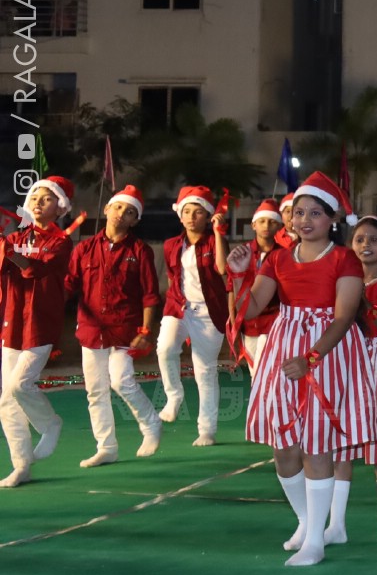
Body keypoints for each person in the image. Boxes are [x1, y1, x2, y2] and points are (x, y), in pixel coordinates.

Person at [239, 173, 370, 567]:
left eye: (315, 212)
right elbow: (249, 310)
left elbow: (345, 317)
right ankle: (305, 521)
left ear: (332, 219)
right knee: (284, 448)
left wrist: (311, 359)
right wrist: (237, 275)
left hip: (326, 354)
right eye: (299, 212)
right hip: (283, 349)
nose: (305, 219)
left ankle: (316, 538)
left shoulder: (344, 258)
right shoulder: (276, 258)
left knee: (317, 445)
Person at [67, 186, 164, 469]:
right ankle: (106, 447)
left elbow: (150, 294)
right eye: (119, 207)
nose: (122, 213)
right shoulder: (83, 248)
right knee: (95, 390)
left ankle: (151, 424)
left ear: (135, 220)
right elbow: (68, 285)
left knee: (121, 381)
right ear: (107, 209)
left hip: (126, 329)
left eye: (130, 211)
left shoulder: (140, 251)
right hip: (90, 329)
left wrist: (146, 331)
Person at [330, 213, 377, 544]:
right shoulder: (340, 279)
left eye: (374, 240)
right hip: (347, 358)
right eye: (360, 239)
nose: (366, 245)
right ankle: (336, 523)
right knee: (342, 443)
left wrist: (363, 304)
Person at [1, 175, 76, 487]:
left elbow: (35, 269)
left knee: (20, 386)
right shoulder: (17, 237)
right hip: (11, 322)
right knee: (6, 399)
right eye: (34, 197)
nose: (38, 202)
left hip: (41, 324)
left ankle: (50, 423)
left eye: (46, 199)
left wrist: (8, 251)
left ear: (60, 208)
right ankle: (21, 465)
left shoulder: (61, 242)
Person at [157, 186, 229, 446]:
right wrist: (173, 299)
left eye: (198, 212)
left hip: (209, 313)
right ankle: (173, 396)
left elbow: (222, 268)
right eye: (186, 211)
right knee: (165, 349)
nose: (191, 217)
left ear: (208, 216)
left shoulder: (214, 241)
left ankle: (206, 430)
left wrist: (219, 234)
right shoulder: (170, 245)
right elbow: (171, 275)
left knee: (205, 371)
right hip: (178, 307)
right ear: (180, 214)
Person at [226, 201, 285, 367]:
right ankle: (257, 394)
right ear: (253, 225)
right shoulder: (241, 253)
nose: (266, 225)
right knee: (254, 370)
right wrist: (233, 323)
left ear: (279, 226)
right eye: (262, 221)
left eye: (272, 221)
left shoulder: (284, 255)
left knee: (263, 367)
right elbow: (232, 289)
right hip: (248, 324)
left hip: (274, 321)